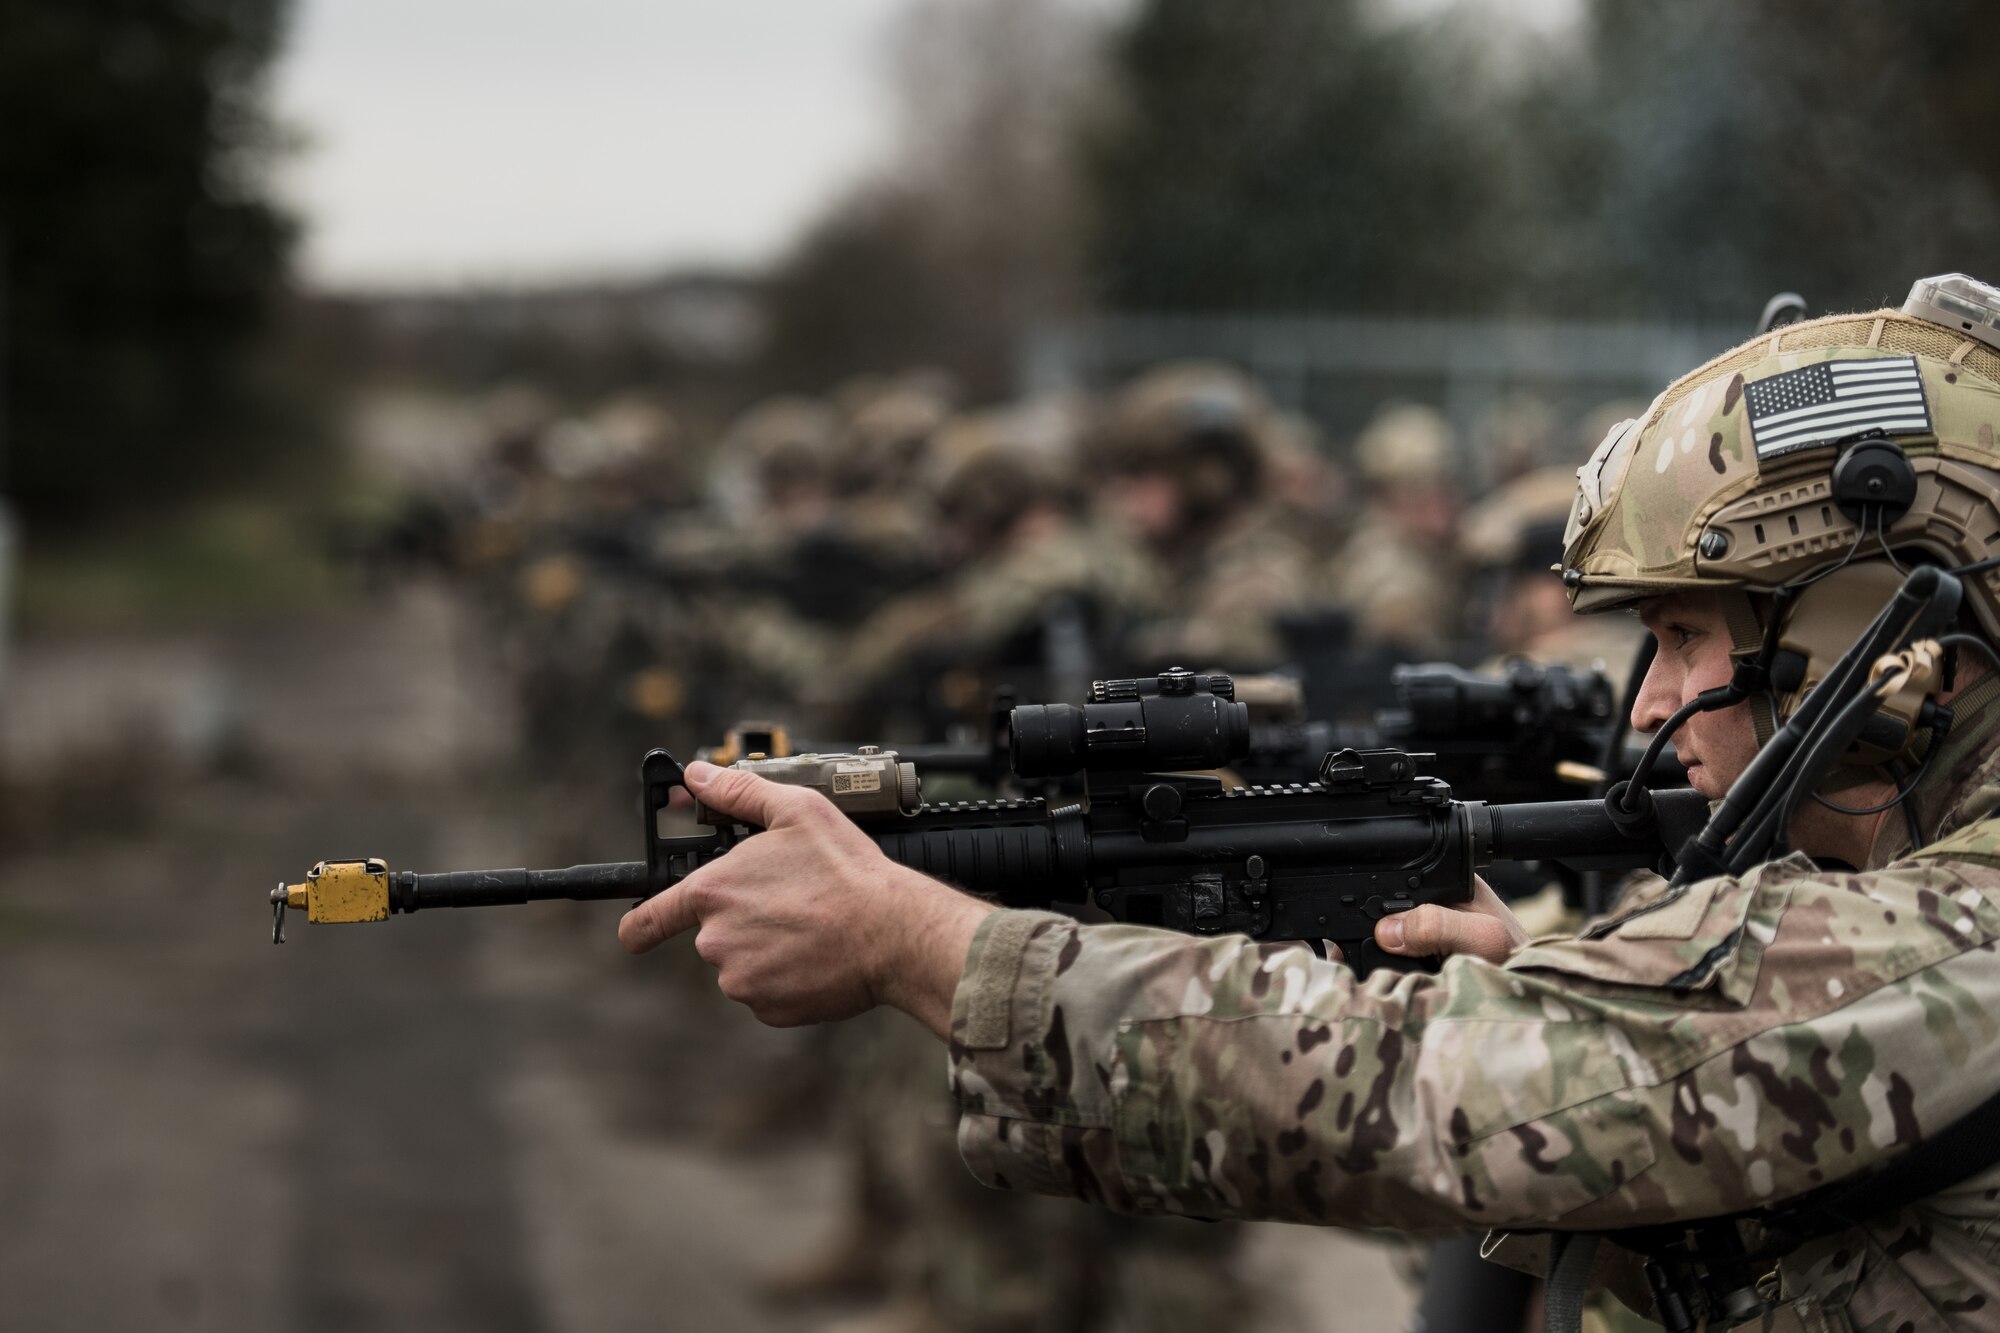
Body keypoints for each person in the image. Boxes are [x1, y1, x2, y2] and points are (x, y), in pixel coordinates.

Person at [617, 278, 2000, 1329]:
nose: (1646, 705)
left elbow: (1431, 1102)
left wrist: (917, 943)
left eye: (1692, 639)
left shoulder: (1949, 928)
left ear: (1889, 637)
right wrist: (1571, 995)